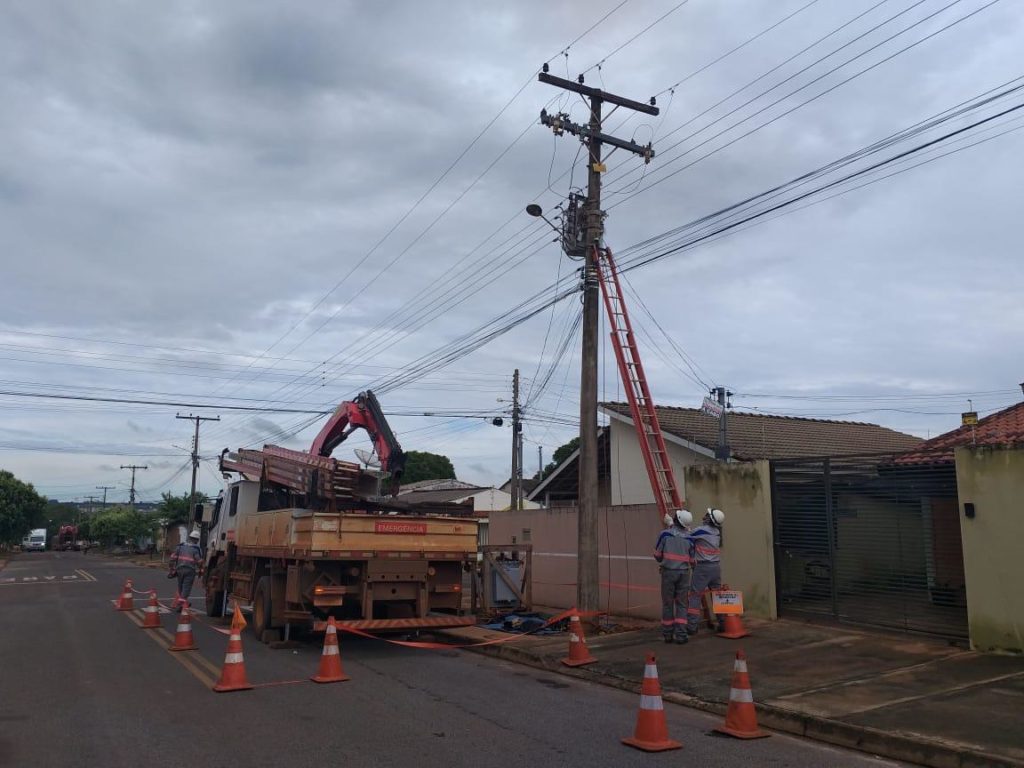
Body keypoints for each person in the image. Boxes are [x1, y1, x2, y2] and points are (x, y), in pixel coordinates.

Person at [654, 509, 693, 644]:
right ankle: (681, 635)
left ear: (675, 520)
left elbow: (657, 556)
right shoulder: (689, 537)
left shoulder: (664, 534)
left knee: (667, 604)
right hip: (684, 573)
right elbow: (693, 560)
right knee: (682, 605)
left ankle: (668, 635)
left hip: (668, 573)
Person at [685, 508, 725, 635]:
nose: (704, 516)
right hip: (716, 568)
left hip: (703, 568)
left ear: (709, 519)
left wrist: (671, 524)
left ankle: (692, 627)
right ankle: (723, 623)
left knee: (695, 596)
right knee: (717, 596)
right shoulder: (717, 532)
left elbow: (684, 535)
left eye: (707, 515)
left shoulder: (701, 530)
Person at [169, 530, 204, 612]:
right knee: (186, 587)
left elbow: (173, 558)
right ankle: (180, 604)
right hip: (190, 570)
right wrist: (201, 569)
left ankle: (182, 602)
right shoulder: (196, 549)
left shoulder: (180, 546)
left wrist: (171, 568)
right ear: (197, 540)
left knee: (180, 586)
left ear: (189, 537)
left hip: (179, 569)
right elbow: (199, 561)